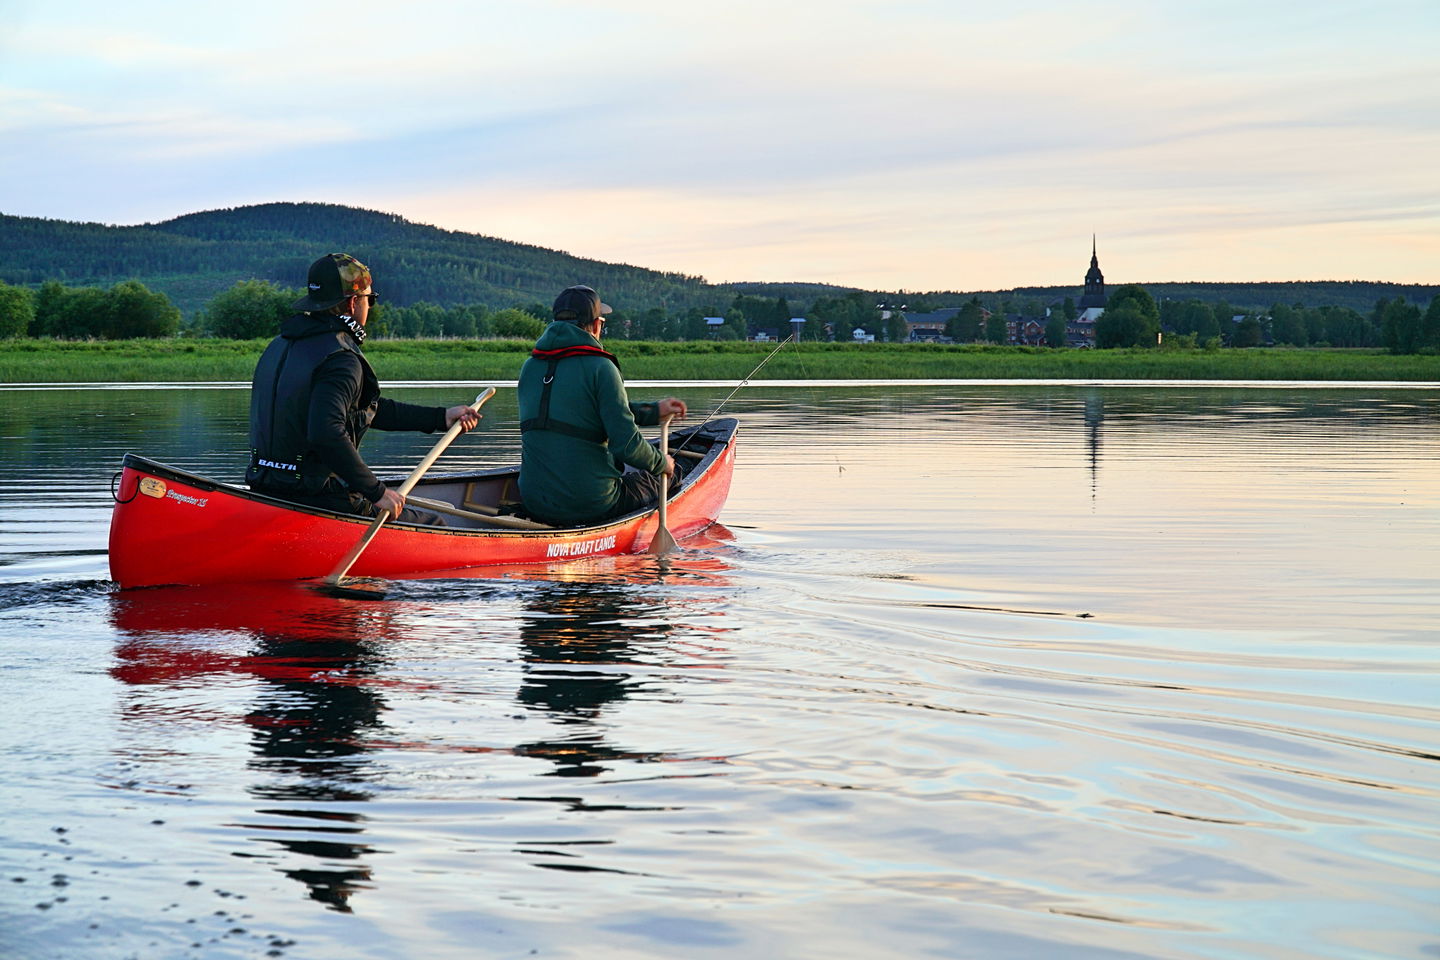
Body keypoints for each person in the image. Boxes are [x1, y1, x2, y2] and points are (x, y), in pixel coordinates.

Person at [246, 253, 479, 523]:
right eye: (371, 299)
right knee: (436, 523)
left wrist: (441, 417)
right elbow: (326, 432)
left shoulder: (279, 346)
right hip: (319, 498)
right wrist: (376, 492)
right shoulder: (341, 358)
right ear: (353, 302)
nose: (370, 306)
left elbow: (362, 409)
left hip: (265, 488)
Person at [517, 285, 687, 527]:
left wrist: (652, 412)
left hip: (535, 501)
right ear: (597, 325)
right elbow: (626, 446)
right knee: (676, 473)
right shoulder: (601, 367)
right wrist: (663, 463)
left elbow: (582, 413)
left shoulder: (530, 366)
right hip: (593, 503)